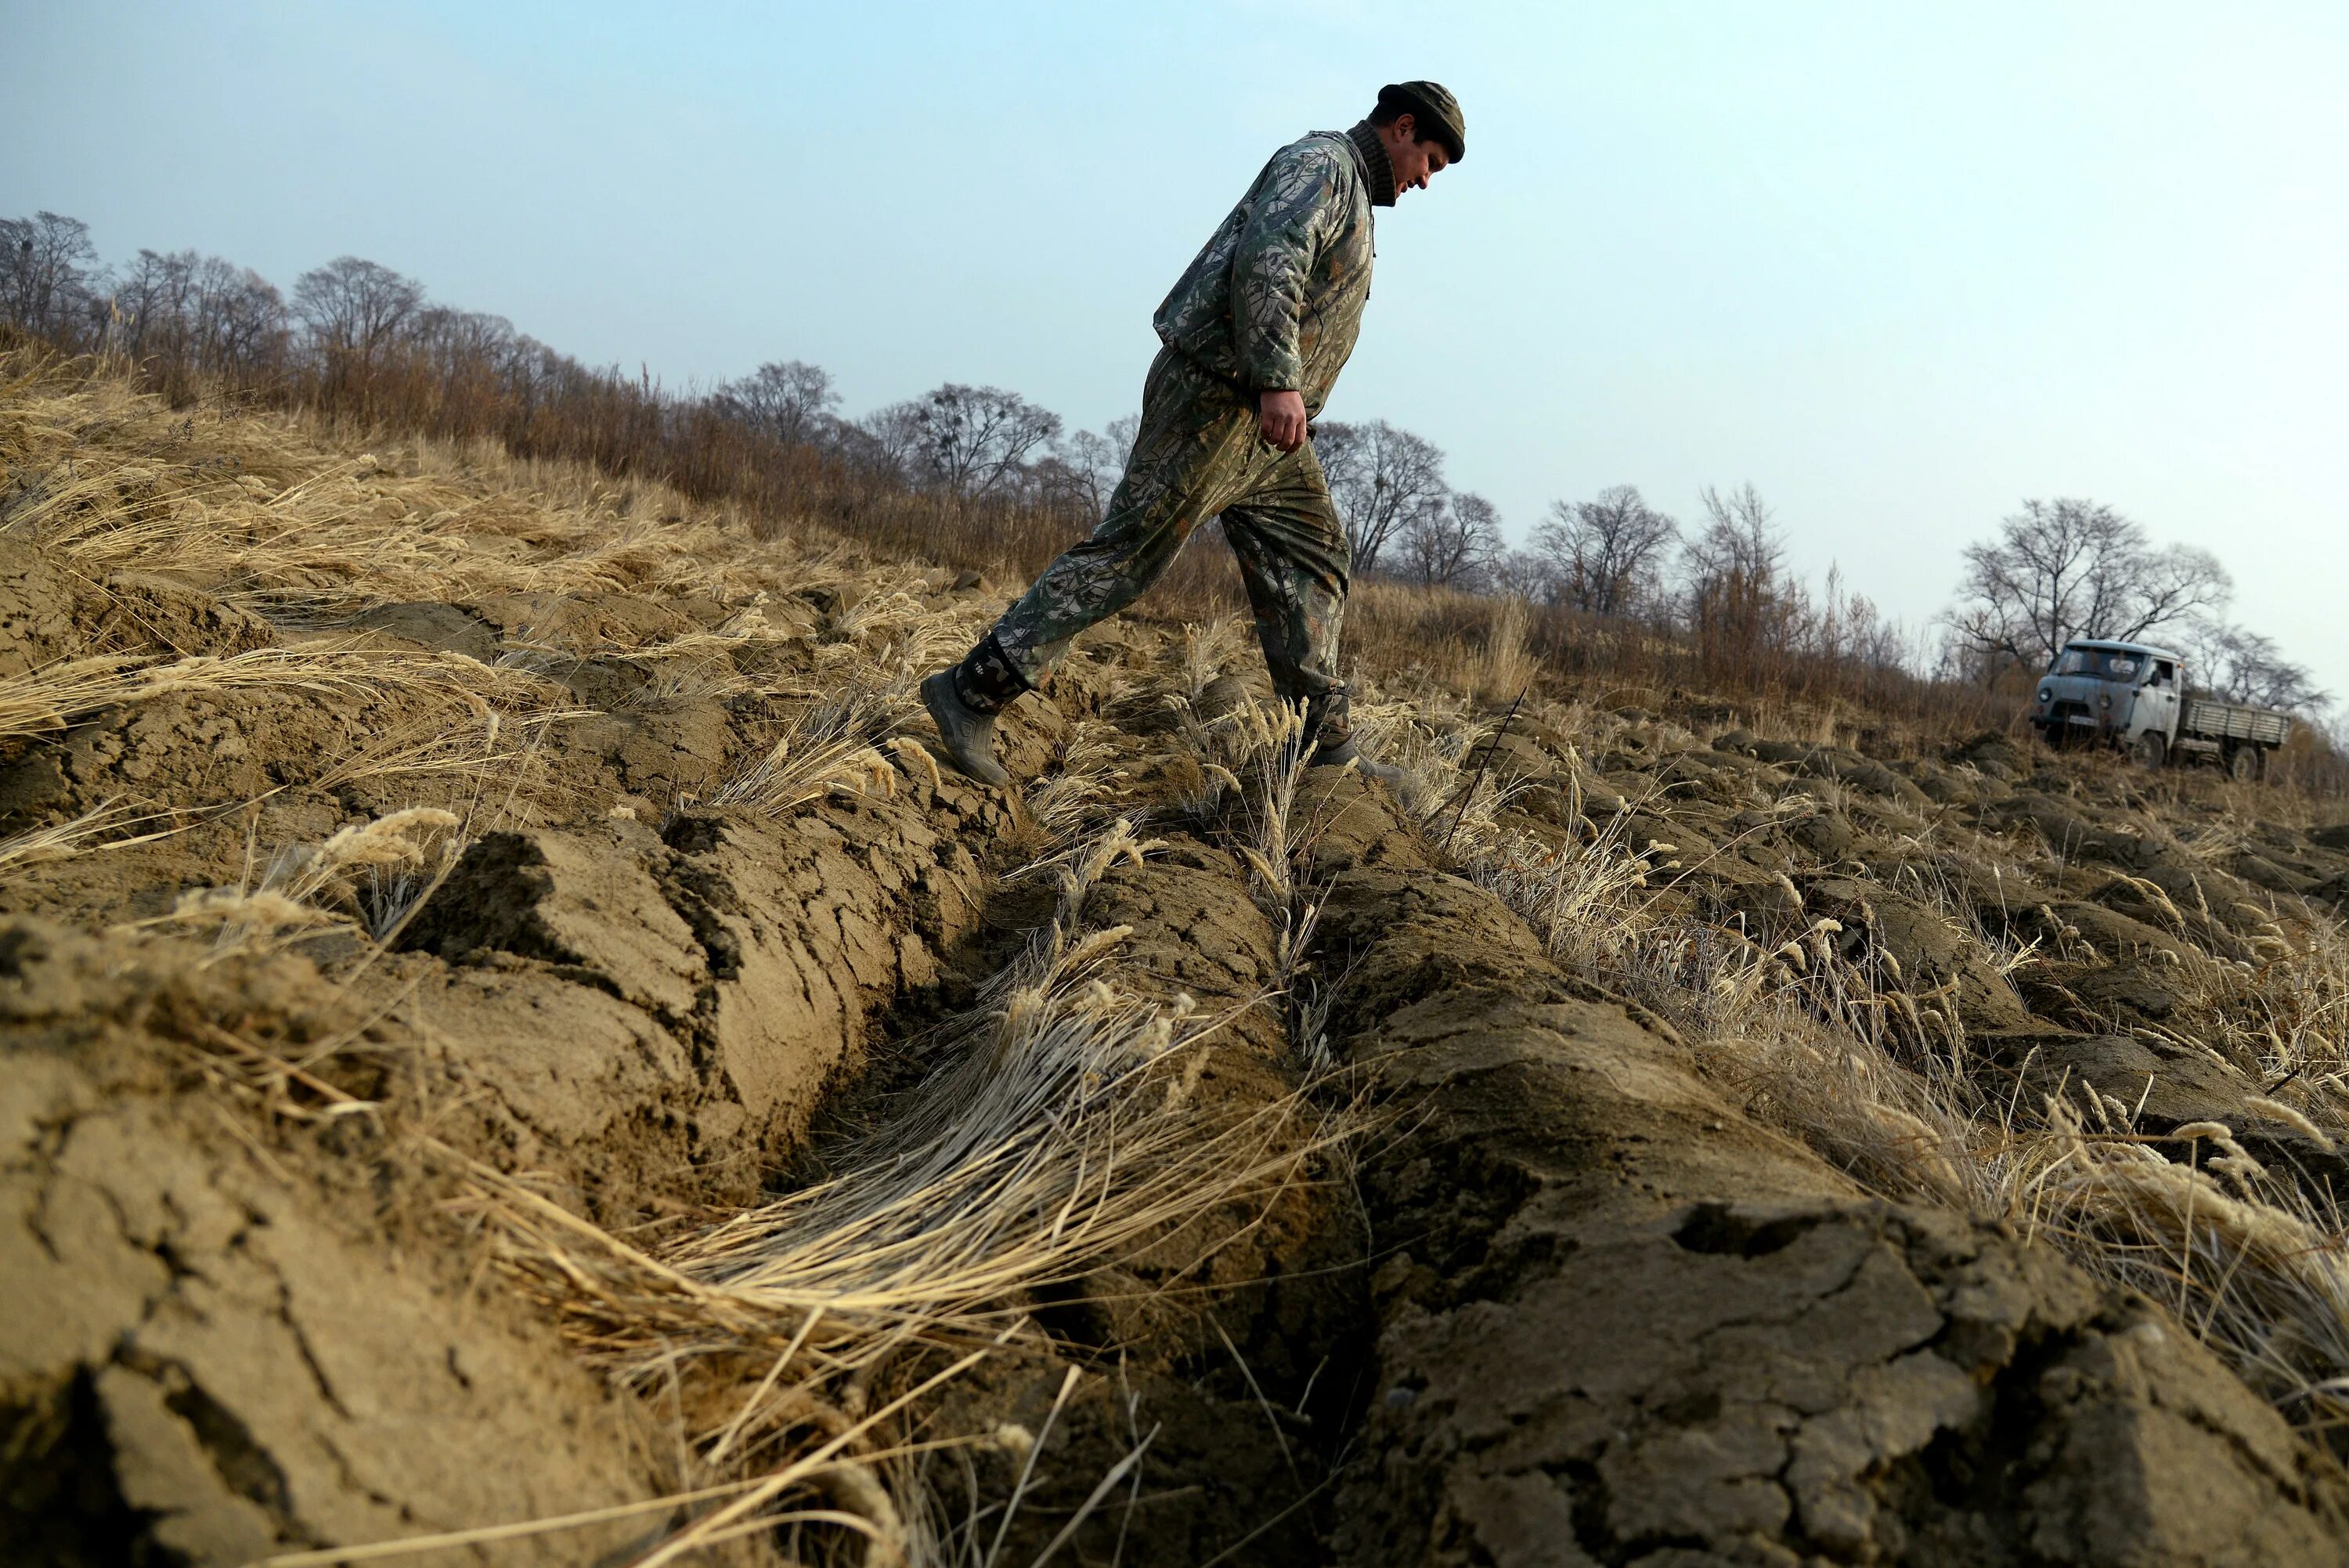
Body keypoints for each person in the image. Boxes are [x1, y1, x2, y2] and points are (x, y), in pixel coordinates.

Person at [921, 81, 1467, 785]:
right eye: (1430, 161)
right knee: (1128, 555)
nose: (1425, 181)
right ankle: (969, 694)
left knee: (1312, 553)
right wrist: (1277, 378)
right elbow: (1272, 257)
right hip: (1216, 401)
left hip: (1263, 435)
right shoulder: (1324, 166)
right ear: (1401, 128)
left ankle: (1321, 747)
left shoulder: (1353, 190)